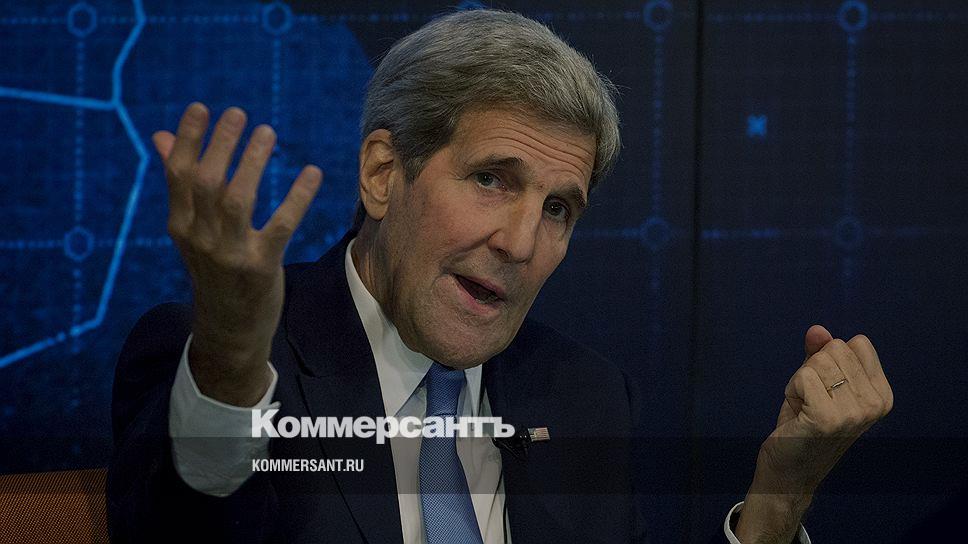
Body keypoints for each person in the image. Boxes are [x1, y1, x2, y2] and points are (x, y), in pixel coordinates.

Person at [107, 9, 893, 543]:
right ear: (383, 174)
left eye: (558, 208)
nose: (521, 243)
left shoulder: (583, 398)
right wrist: (233, 360)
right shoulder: (224, 363)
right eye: (491, 178)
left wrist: (777, 502)